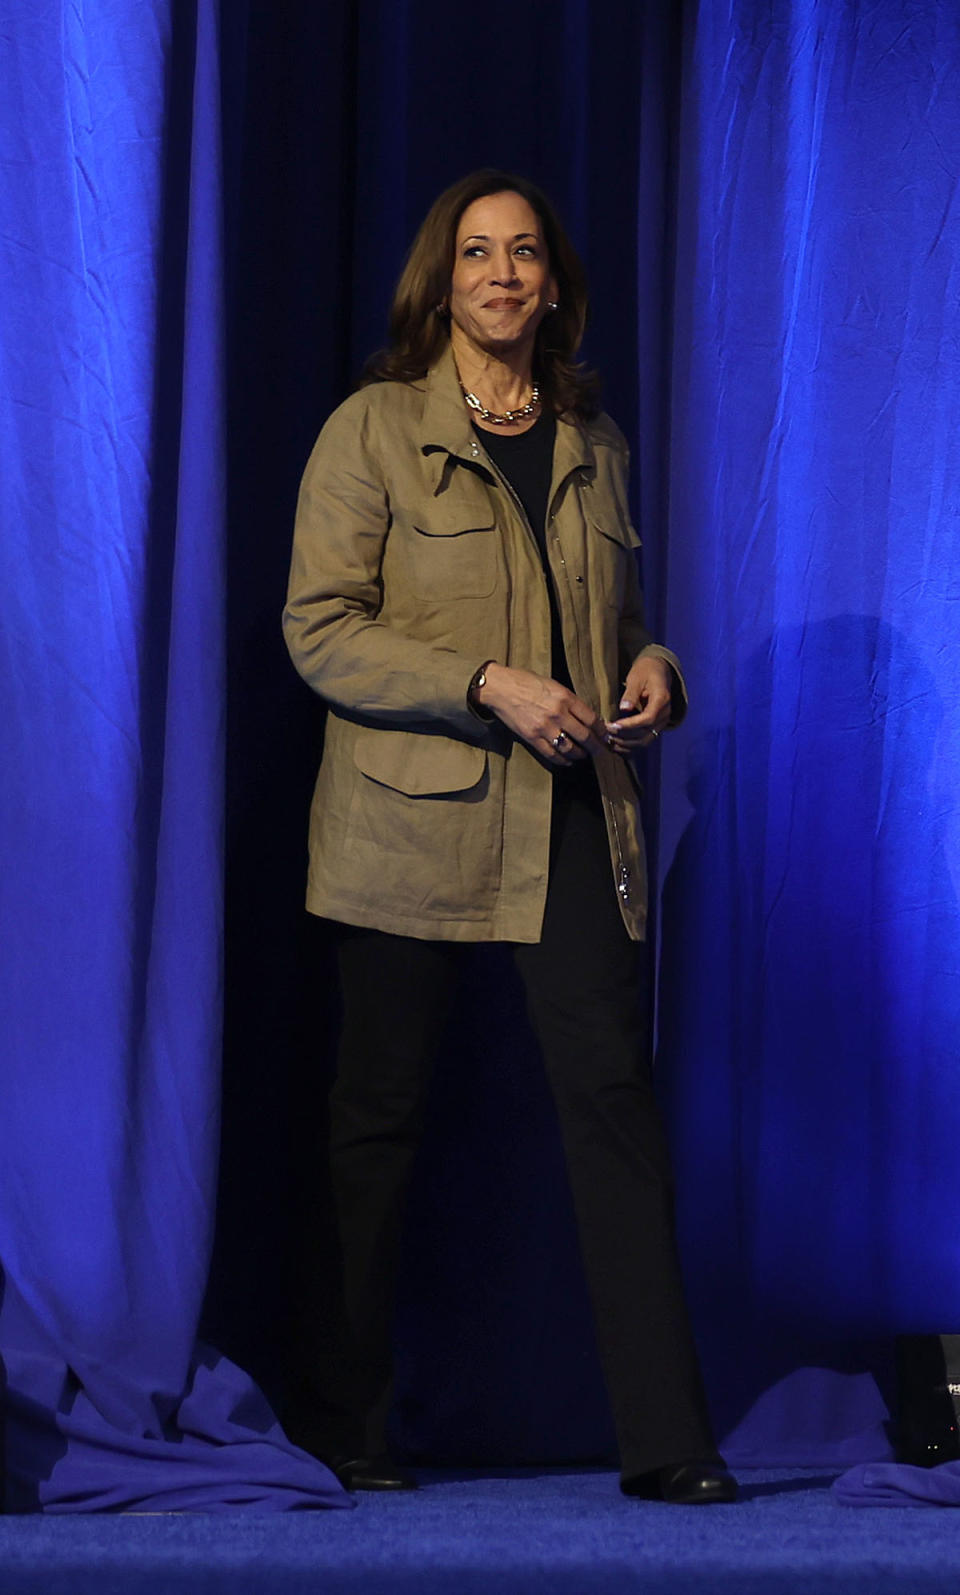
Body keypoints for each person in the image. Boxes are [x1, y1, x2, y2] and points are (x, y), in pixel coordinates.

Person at [282, 169, 736, 1505]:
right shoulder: (369, 432)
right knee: (377, 1119)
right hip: (404, 828)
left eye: (524, 252)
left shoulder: (596, 442)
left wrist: (653, 669)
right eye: (476, 252)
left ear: (553, 283)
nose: (500, 274)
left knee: (614, 1109)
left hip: (572, 821)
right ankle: (345, 1425)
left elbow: (620, 612)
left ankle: (668, 1444)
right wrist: (484, 682)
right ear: (444, 278)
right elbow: (322, 628)